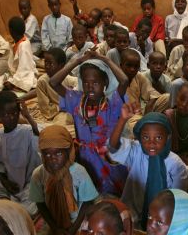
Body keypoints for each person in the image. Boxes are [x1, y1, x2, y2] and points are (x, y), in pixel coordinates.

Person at [50, 51, 129, 195]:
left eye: (95, 83)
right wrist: (77, 61)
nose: (90, 87)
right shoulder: (76, 100)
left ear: (105, 82)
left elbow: (124, 81)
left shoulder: (112, 103)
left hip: (107, 158)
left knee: (114, 192)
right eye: (86, 82)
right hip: (85, 157)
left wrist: (105, 59)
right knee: (90, 191)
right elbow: (53, 82)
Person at [109, 110, 188, 228]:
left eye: (158, 137)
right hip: (132, 214)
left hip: (161, 219)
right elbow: (113, 148)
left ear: (167, 138)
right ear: (139, 139)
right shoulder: (136, 151)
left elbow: (177, 200)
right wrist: (122, 119)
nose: (151, 143)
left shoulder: (176, 165)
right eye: (146, 137)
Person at [30, 125, 98, 235]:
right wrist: (55, 228)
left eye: (58, 153)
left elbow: (88, 203)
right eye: (47, 154)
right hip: (52, 220)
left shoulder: (79, 172)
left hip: (79, 219)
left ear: (69, 152)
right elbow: (40, 203)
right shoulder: (38, 174)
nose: (53, 159)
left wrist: (72, 230)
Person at [0, 16, 38, 93]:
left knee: (5, 87)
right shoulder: (17, 42)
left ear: (11, 31)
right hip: (16, 74)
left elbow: (24, 68)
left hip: (25, 75)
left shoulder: (23, 45)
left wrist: (13, 82)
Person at [34, 48, 72, 125]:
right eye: (45, 62)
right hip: (57, 114)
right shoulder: (42, 81)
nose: (47, 66)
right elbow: (45, 108)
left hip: (71, 111)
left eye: (50, 63)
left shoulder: (69, 79)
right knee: (59, 124)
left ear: (61, 66)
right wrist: (61, 108)